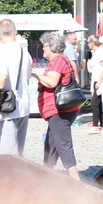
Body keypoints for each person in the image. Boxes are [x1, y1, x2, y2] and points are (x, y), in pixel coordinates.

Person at [34, 31, 80, 179]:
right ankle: (47, 174)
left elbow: (52, 82)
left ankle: (76, 181)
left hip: (59, 110)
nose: (43, 49)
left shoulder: (58, 59)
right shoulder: (58, 60)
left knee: (62, 144)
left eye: (44, 46)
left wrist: (35, 74)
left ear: (52, 46)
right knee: (52, 142)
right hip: (57, 110)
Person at [0, 19, 31, 155]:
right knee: (18, 151)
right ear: (15, 32)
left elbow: (2, 78)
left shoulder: (0, 51)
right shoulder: (24, 52)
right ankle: (19, 175)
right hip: (23, 105)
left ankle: (10, 176)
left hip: (8, 107)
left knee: (8, 153)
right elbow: (27, 78)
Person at [86, 35, 103, 134]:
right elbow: (91, 68)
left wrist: (99, 81)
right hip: (95, 79)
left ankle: (96, 125)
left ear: (92, 43)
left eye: (88, 42)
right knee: (99, 103)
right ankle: (102, 125)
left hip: (100, 80)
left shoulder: (100, 51)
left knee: (94, 103)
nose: (87, 44)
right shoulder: (94, 52)